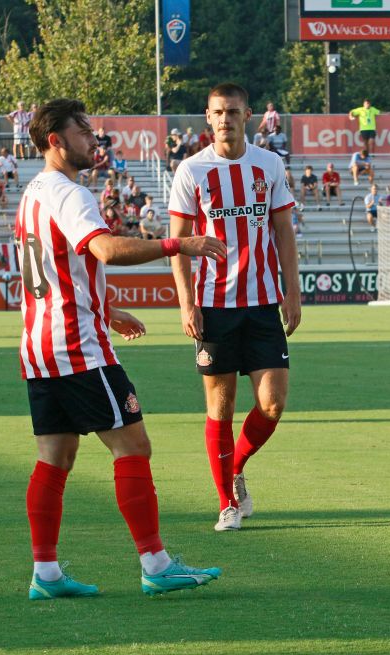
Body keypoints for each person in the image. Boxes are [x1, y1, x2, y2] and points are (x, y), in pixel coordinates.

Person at [17, 98, 224, 600]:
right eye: (83, 131)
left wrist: (106, 310)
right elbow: (106, 248)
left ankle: (45, 575)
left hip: (39, 347)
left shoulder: (33, 194)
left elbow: (51, 272)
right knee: (133, 447)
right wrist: (181, 245)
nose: (94, 138)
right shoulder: (69, 193)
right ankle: (155, 563)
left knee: (55, 456)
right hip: (78, 349)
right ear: (56, 142)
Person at [168, 82, 301, 532]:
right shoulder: (191, 170)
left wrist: (293, 291)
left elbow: (283, 230)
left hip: (263, 302)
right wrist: (187, 303)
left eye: (233, 111)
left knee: (273, 404)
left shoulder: (269, 164)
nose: (225, 119)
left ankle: (235, 467)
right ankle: (227, 501)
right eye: (218, 112)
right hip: (213, 305)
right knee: (220, 407)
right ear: (208, 117)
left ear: (249, 116)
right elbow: (180, 244)